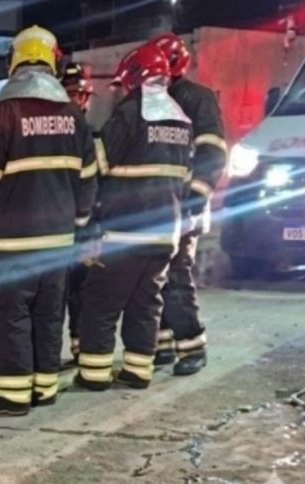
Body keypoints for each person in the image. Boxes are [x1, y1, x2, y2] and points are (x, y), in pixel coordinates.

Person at [0, 25, 98, 415]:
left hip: (12, 243)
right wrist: (80, 222)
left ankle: (13, 395)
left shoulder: (5, 112)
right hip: (58, 243)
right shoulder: (73, 115)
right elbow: (87, 179)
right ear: (53, 61)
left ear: (14, 60)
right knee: (49, 316)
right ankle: (44, 388)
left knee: (12, 316)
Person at [74, 44, 193, 391]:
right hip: (164, 234)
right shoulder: (180, 118)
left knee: (100, 302)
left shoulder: (130, 113)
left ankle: (94, 375)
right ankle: (139, 371)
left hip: (125, 232)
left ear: (136, 77)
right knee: (146, 304)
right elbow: (184, 176)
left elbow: (101, 165)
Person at [148, 33, 227, 376]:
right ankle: (163, 345)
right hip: (162, 204)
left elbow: (213, 152)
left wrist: (195, 197)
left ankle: (192, 345)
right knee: (156, 277)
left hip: (185, 205)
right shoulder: (155, 99)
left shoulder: (197, 99)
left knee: (177, 277)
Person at [59, 62, 96, 362]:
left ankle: (80, 344)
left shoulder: (92, 135)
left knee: (81, 289)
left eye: (79, 95)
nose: (76, 100)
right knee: (56, 290)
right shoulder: (56, 131)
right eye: (71, 94)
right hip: (56, 223)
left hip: (82, 223)